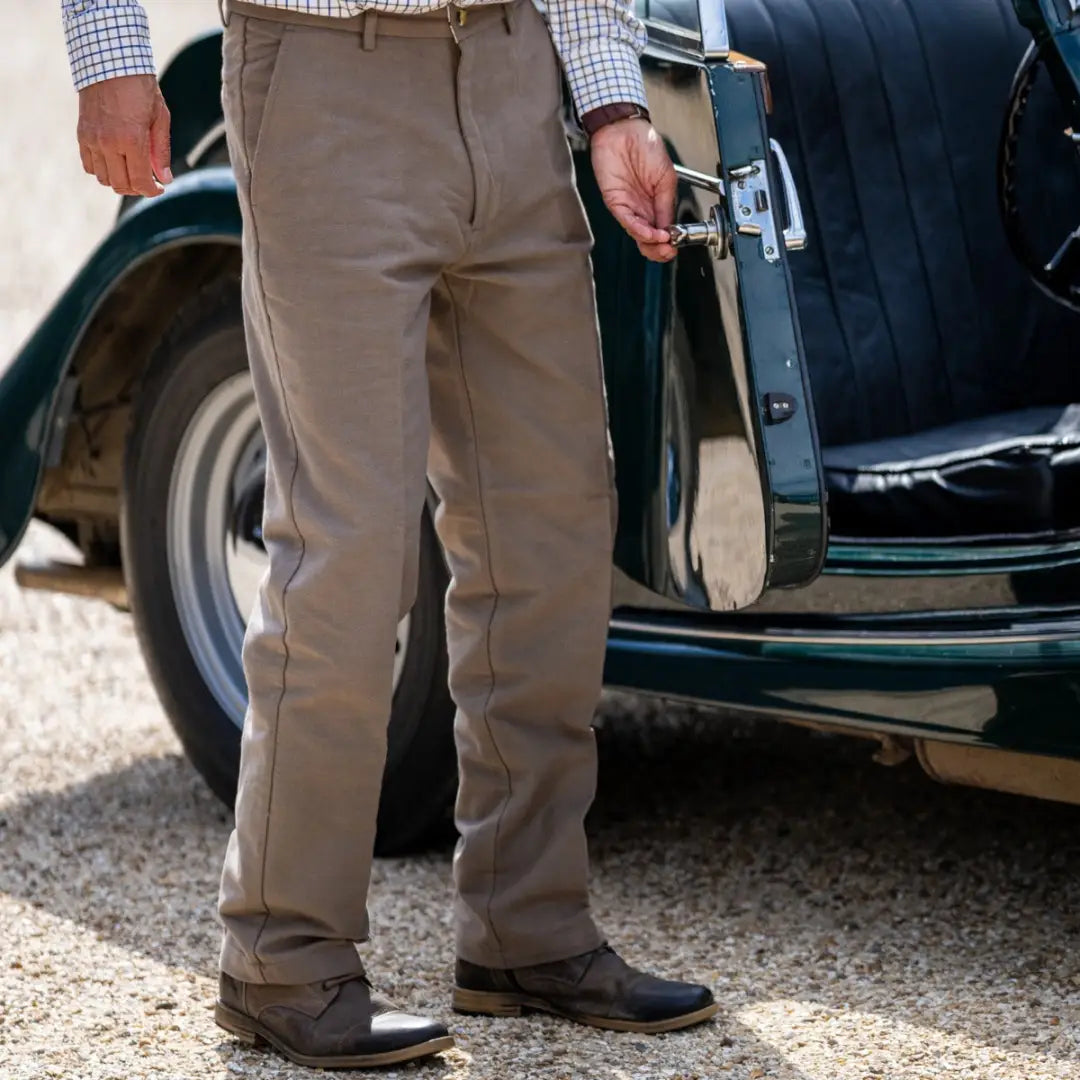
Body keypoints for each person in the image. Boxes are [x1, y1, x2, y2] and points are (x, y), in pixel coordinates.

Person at [63, 0, 717, 1068]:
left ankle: (527, 924)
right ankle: (282, 954)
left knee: (551, 530)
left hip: (514, 79)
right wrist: (111, 61)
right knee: (350, 549)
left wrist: (610, 100)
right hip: (324, 79)